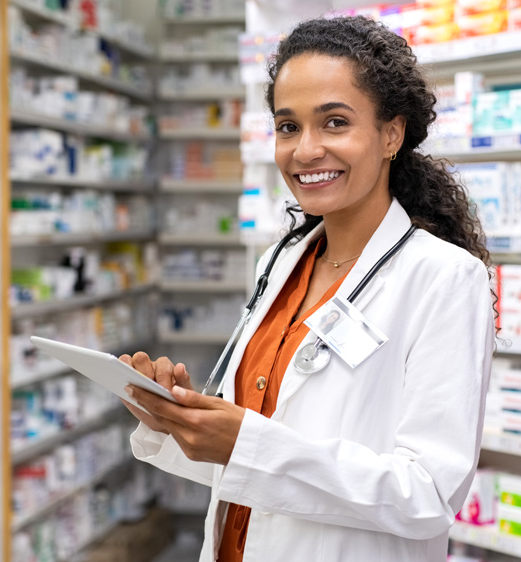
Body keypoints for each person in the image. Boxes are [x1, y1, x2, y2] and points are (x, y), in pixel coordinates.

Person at [118, 15, 495, 562]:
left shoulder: (445, 278)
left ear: (392, 134)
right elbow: (251, 453)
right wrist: (179, 419)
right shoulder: (281, 262)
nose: (305, 150)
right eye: (288, 126)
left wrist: (246, 443)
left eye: (335, 123)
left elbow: (428, 495)